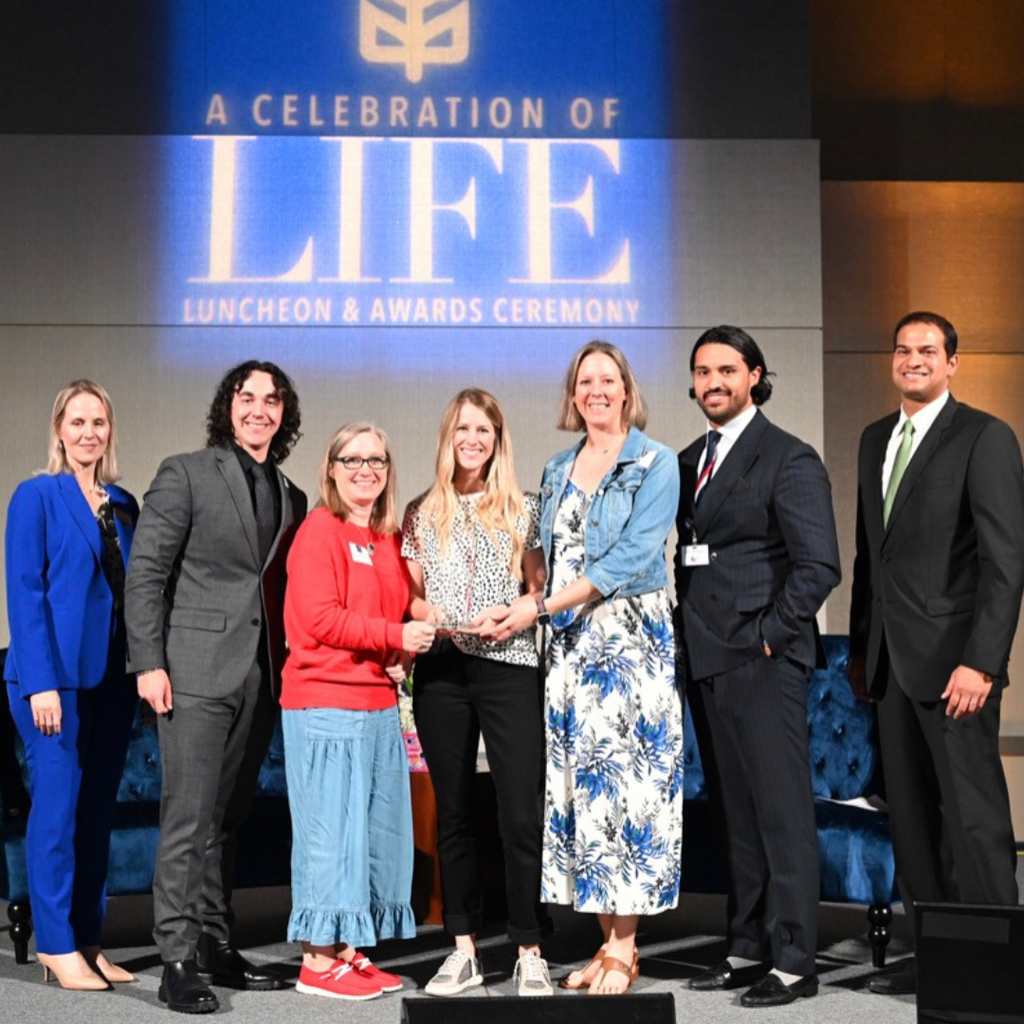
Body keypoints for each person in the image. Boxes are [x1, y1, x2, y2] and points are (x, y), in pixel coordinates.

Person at [483, 342, 683, 996]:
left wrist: (539, 606)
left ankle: (626, 948)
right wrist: (528, 586)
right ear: (573, 395)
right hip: (569, 652)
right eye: (584, 381)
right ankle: (606, 942)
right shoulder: (558, 466)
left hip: (629, 649)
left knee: (628, 794)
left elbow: (627, 559)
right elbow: (541, 551)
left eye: (608, 379)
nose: (596, 390)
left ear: (626, 389)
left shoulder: (655, 463)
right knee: (585, 795)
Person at [848, 312, 1024, 997]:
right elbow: (872, 556)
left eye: (928, 351)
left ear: (952, 362)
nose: (913, 359)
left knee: (973, 820)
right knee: (914, 824)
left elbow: (1005, 563)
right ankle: (942, 963)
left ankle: (999, 970)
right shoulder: (873, 440)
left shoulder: (984, 437)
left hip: (958, 669)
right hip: (890, 665)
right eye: (903, 349)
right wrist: (865, 651)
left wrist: (982, 662)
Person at [125, 361, 307, 1014]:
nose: (259, 409)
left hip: (258, 676)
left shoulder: (291, 494)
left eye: (271, 400)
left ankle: (214, 944)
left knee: (226, 821)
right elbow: (146, 571)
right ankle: (176, 959)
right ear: (227, 407)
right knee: (187, 819)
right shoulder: (187, 472)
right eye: (246, 397)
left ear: (284, 414)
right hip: (193, 672)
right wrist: (149, 662)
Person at [674, 326, 840, 1008]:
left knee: (781, 815)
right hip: (710, 661)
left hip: (764, 662)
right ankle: (746, 949)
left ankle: (797, 961)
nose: (713, 381)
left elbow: (818, 566)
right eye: (702, 371)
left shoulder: (788, 457)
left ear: (754, 376)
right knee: (736, 818)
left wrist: (769, 637)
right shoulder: (687, 460)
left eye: (726, 370)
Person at [403, 389, 553, 998]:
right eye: (463, 428)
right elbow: (410, 595)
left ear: (498, 439)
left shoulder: (524, 508)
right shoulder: (420, 510)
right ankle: (463, 947)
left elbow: (538, 593)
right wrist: (425, 609)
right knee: (455, 813)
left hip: (508, 665)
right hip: (442, 669)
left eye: (484, 429)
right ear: (448, 437)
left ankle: (529, 947)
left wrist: (511, 611)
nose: (473, 439)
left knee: (519, 811)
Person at [281, 423, 433, 1001]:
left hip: (375, 705)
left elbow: (390, 622)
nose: (364, 469)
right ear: (331, 467)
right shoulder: (318, 531)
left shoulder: (387, 538)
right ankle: (316, 962)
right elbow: (320, 618)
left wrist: (400, 656)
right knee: (329, 836)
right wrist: (394, 633)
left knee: (369, 837)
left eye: (377, 460)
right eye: (352, 459)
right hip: (325, 704)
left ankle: (345, 947)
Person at [4, 380, 139, 990]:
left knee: (95, 815)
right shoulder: (36, 496)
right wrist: (41, 683)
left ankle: (88, 940)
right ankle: (56, 946)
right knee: (56, 811)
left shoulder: (123, 503)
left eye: (99, 422)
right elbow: (25, 594)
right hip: (51, 682)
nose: (89, 433)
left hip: (112, 681)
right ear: (60, 429)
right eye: (78, 421)